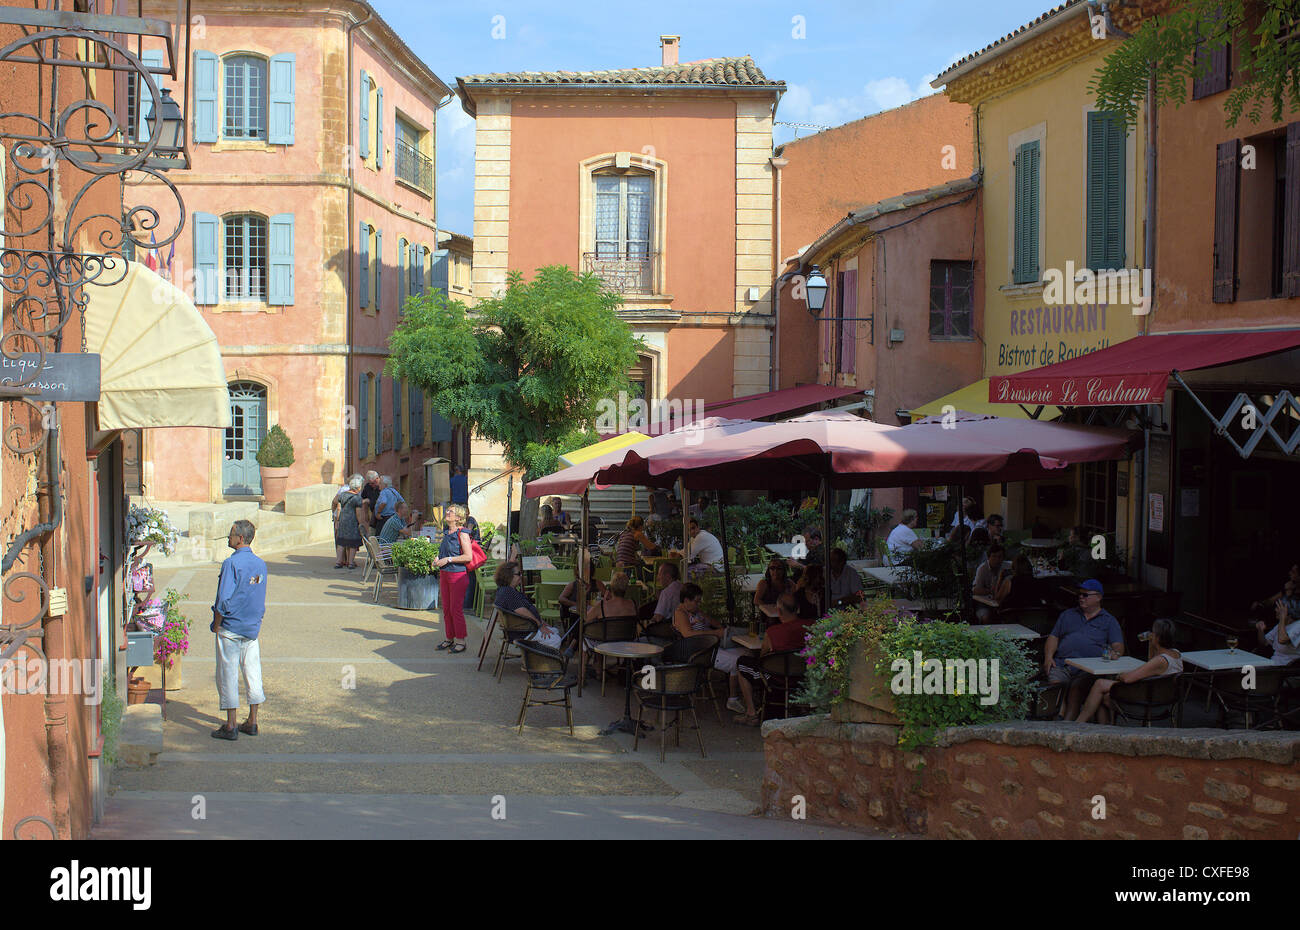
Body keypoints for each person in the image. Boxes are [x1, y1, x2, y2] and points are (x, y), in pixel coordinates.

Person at [209, 520, 268, 740]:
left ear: (240, 538)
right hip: (251, 627)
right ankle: (252, 720)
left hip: (231, 626)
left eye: (231, 534)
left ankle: (231, 724)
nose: (228, 537)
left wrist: (217, 622)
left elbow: (223, 599)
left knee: (228, 673)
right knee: (253, 672)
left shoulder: (230, 564)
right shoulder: (260, 564)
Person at [1042, 579, 1125, 720]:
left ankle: (1067, 726)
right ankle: (1059, 719)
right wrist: (1048, 657)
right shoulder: (1068, 614)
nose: (1081, 597)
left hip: (1087, 670)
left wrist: (1114, 653)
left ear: (1098, 597)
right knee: (1057, 687)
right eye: (1080, 594)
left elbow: (1118, 646)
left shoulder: (1109, 620)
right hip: (1062, 664)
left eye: (1085, 595)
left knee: (1076, 689)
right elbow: (1053, 637)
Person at [1073, 619, 1183, 724]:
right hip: (1161, 697)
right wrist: (1151, 644)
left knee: (1099, 684)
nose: (1150, 634)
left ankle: (1079, 723)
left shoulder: (1160, 661)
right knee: (1104, 696)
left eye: (1153, 633)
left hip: (1148, 702)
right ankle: (1106, 727)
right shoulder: (1175, 653)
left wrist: (1119, 676)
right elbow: (1151, 664)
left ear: (1158, 637)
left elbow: (1128, 678)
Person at [730, 595, 813, 725]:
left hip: (777, 678)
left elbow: (763, 657)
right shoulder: (811, 625)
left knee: (742, 663)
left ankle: (751, 713)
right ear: (798, 609)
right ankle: (800, 706)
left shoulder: (773, 632)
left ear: (778, 612)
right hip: (804, 675)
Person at [493, 561, 566, 652]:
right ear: (509, 576)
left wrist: (541, 622)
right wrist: (540, 625)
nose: (521, 576)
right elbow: (523, 611)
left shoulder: (505, 590)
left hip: (522, 628)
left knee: (555, 631)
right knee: (555, 640)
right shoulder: (508, 592)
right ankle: (540, 663)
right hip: (523, 631)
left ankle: (535, 656)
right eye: (518, 574)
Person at [435, 504, 474, 654]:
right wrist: (438, 558)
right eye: (448, 511)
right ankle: (449, 637)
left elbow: (468, 556)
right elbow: (445, 553)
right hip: (445, 573)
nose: (447, 513)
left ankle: (461, 641)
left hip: (457, 575)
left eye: (450, 511)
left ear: (458, 517)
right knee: (446, 608)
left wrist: (448, 560)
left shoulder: (462, 533)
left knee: (455, 609)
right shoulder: (447, 532)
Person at [332, 475, 367, 569]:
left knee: (341, 542)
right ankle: (350, 563)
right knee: (353, 543)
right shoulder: (357, 498)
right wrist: (361, 523)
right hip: (352, 522)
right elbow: (358, 513)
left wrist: (337, 520)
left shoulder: (342, 495)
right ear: (358, 487)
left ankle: (338, 562)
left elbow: (338, 508)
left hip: (343, 521)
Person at [1255, 597, 1300, 666]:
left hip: (1288, 669)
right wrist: (1260, 629)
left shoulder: (1298, 625)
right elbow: (1264, 643)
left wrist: (1282, 617)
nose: (1275, 610)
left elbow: (1282, 639)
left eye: (1279, 608)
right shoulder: (1281, 624)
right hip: (1274, 664)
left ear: (1287, 611)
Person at [972, 544, 1010, 622]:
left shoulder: (1007, 567)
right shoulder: (982, 569)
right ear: (989, 557)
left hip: (1003, 603)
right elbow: (975, 590)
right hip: (984, 604)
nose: (997, 559)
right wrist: (991, 591)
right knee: (986, 617)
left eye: (1000, 557)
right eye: (994, 556)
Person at [641, 560, 683, 627]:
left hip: (671, 629)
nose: (657, 578)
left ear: (668, 576)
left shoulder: (667, 592)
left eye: (659, 574)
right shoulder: (681, 586)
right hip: (682, 624)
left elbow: (658, 617)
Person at [359, 471, 381, 538]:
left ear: (377, 479)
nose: (372, 485)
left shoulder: (382, 486)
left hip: (382, 514)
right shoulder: (368, 487)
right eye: (370, 483)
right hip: (373, 514)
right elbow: (364, 499)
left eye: (373, 483)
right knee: (372, 534)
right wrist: (366, 514)